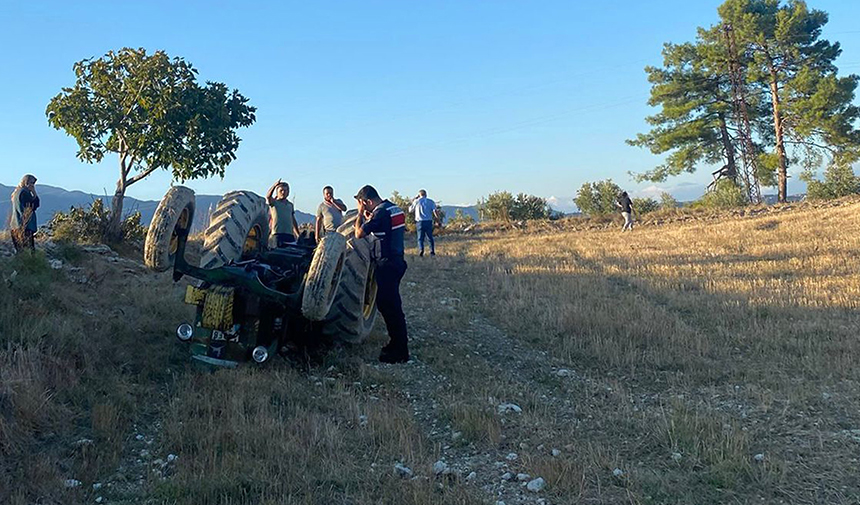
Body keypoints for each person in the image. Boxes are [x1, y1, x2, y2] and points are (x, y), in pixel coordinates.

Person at [353, 185, 410, 363]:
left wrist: (360, 215)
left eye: (362, 204)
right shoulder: (393, 209)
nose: (362, 207)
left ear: (367, 201)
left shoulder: (380, 213)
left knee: (390, 307)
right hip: (397, 261)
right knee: (391, 305)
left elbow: (359, 233)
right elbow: (387, 228)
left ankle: (400, 351)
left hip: (386, 264)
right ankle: (396, 344)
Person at [10, 174, 40, 254]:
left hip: (15, 225)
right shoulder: (25, 193)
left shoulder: (16, 193)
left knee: (20, 251)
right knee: (29, 251)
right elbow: (34, 205)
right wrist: (34, 193)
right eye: (32, 183)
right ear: (27, 182)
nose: (33, 185)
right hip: (25, 225)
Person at [266, 179, 300, 247]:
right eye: (281, 190)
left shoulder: (290, 205)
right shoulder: (274, 203)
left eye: (285, 190)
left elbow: (293, 219)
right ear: (277, 192)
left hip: (289, 234)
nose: (283, 192)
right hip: (277, 234)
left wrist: (298, 234)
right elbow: (268, 196)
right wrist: (274, 185)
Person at [408, 189, 438, 256]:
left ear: (419, 195)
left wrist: (413, 200)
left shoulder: (416, 201)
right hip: (428, 221)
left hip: (420, 222)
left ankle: (421, 250)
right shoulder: (430, 201)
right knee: (430, 237)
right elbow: (435, 211)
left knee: (420, 238)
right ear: (426, 194)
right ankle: (432, 251)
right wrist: (437, 219)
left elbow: (410, 210)